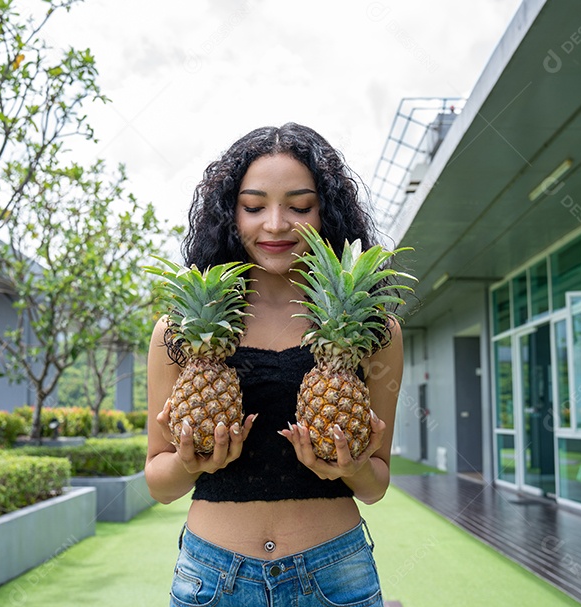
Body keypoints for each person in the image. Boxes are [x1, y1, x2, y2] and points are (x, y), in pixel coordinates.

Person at [145, 122, 403, 607]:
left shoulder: (373, 329)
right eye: (254, 206)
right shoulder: (178, 331)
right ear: (230, 212)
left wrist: (347, 469)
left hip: (334, 572)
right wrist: (187, 463)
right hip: (212, 578)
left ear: (326, 212)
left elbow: (377, 484)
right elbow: (158, 482)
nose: (276, 224)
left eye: (300, 206)